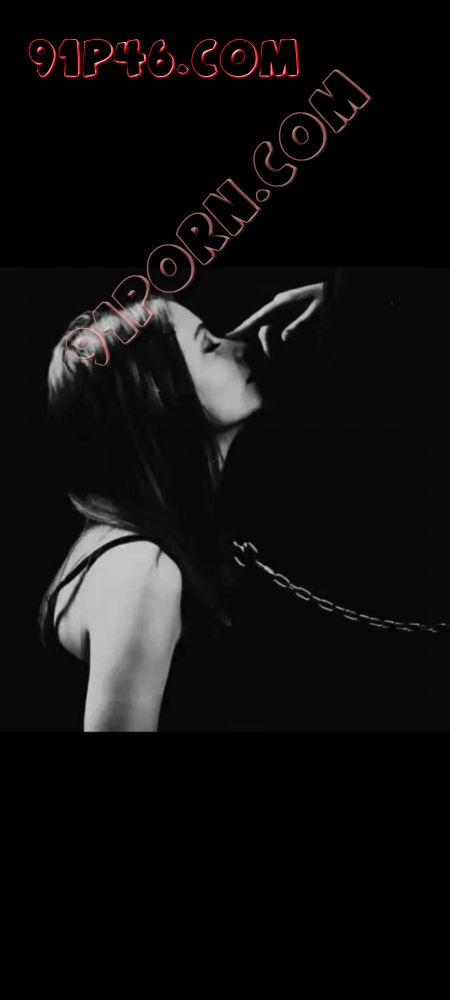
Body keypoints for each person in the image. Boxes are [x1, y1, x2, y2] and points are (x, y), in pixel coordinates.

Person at [39, 283, 325, 732]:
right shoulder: (138, 571)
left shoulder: (127, 545)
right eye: (210, 345)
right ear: (157, 393)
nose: (242, 345)